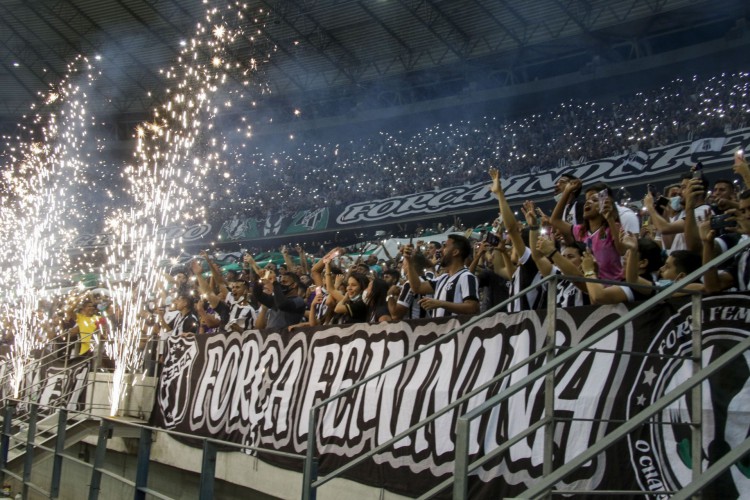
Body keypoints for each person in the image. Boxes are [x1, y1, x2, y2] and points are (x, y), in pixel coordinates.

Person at [403, 234, 479, 318]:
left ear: (455, 252)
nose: (441, 250)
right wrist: (409, 261)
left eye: (445, 246)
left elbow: (472, 307)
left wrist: (441, 303)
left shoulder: (466, 276)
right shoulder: (443, 278)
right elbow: (417, 287)